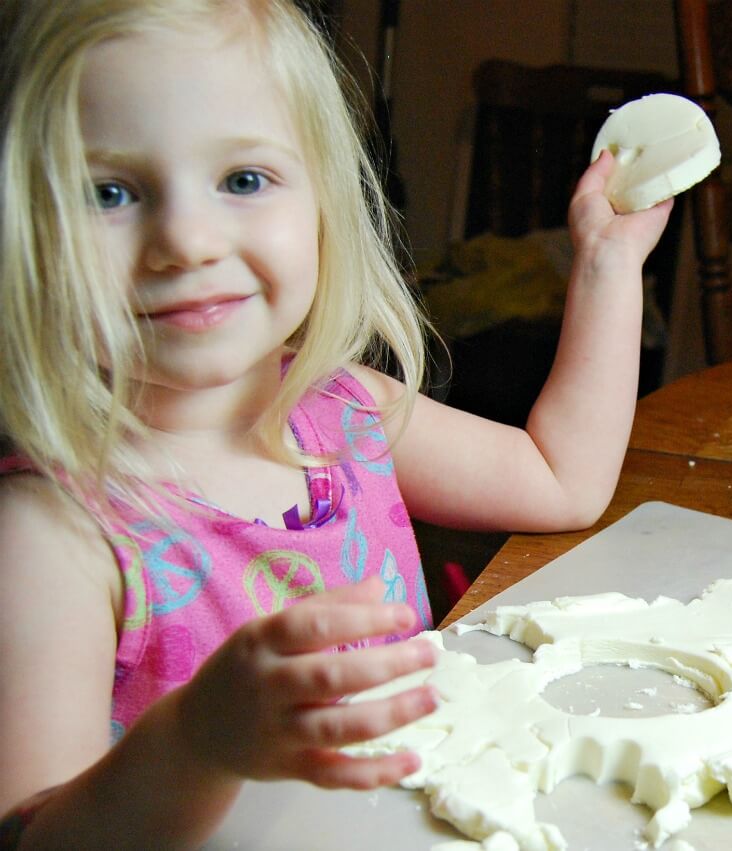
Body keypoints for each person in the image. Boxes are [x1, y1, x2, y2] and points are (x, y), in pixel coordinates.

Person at [0, 0, 673, 847]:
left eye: (243, 179)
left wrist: (608, 266)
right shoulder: (52, 536)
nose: (187, 240)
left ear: (323, 197)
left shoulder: (343, 409)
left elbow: (560, 479)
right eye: (110, 192)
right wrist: (199, 740)